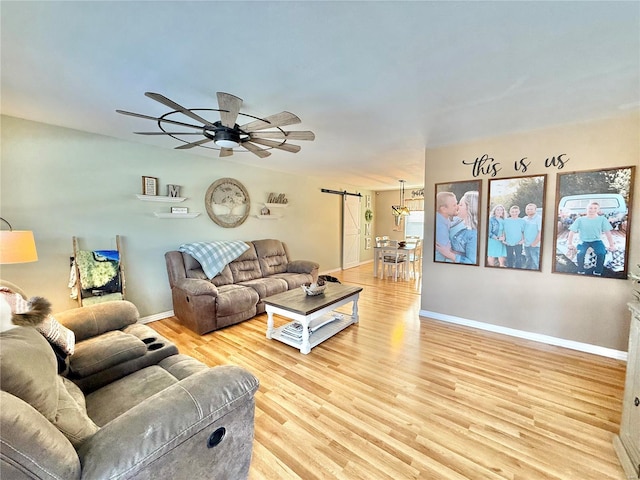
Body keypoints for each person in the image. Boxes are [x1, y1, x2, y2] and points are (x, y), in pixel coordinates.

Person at [566, 201, 616, 276]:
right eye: (590, 208)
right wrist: (569, 243)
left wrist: (611, 245)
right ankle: (581, 270)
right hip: (583, 240)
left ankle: (598, 271)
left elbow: (608, 233)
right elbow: (572, 231)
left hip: (597, 240)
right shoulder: (580, 220)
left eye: (595, 208)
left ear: (598, 210)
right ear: (586, 209)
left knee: (601, 252)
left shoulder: (602, 219)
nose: (592, 210)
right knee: (580, 252)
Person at [436, 191, 478, 264]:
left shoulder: (474, 234)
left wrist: (449, 254)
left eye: (461, 205)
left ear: (469, 209)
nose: (457, 206)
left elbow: (472, 262)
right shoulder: (458, 222)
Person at [435, 191, 458, 262]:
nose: (457, 207)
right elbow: (447, 251)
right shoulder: (439, 226)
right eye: (454, 205)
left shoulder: (445, 219)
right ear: (444, 209)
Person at [523, 203, 542, 270]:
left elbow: (540, 232)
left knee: (535, 261)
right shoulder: (524, 219)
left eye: (531, 209)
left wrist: (535, 242)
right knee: (528, 259)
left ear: (535, 210)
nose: (529, 210)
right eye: (527, 209)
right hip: (526, 244)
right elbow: (521, 231)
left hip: (535, 245)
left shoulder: (539, 219)